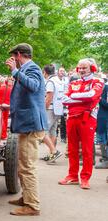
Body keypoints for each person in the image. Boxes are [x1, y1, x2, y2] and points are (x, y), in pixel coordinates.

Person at [5, 43, 47, 216]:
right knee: (23, 165)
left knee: (27, 166)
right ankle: (27, 197)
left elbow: (34, 86)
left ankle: (32, 206)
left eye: (13, 56)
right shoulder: (28, 69)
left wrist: (15, 71)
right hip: (28, 124)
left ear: (19, 55)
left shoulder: (33, 68)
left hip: (31, 125)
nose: (12, 60)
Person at [59, 59, 104, 189]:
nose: (81, 70)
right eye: (79, 68)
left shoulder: (98, 81)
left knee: (87, 150)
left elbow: (92, 95)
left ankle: (85, 178)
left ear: (92, 68)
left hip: (87, 118)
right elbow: (64, 99)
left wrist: (74, 96)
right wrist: (81, 99)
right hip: (72, 118)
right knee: (72, 149)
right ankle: (72, 176)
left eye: (84, 68)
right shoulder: (74, 82)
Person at [40, 64, 64, 164]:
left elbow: (49, 97)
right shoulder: (59, 80)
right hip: (58, 109)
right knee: (53, 131)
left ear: (45, 72)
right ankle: (52, 154)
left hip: (50, 108)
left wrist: (43, 109)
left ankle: (54, 152)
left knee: (41, 131)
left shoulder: (50, 81)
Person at [96, 79, 108, 169]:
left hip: (104, 117)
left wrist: (98, 97)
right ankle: (105, 158)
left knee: (102, 137)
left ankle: (106, 159)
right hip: (100, 116)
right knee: (101, 137)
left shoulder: (106, 88)